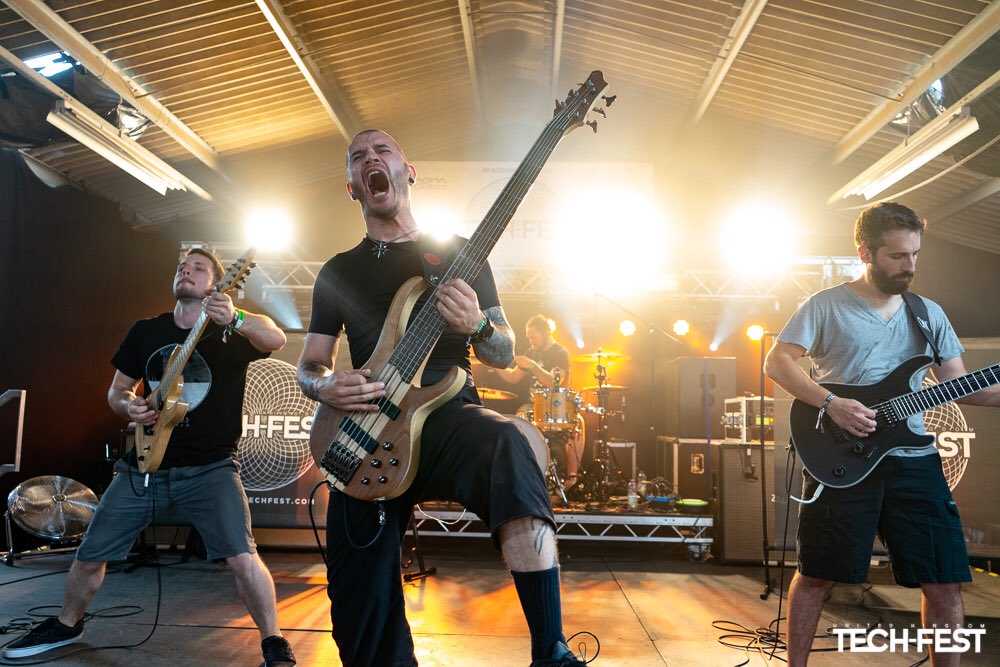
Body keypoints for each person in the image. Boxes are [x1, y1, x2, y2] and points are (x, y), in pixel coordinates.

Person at [297, 129, 593, 667]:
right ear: (352, 188)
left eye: (382, 151)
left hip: (447, 414)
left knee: (510, 445)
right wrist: (323, 385)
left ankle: (550, 648)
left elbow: (503, 352)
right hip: (366, 425)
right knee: (358, 600)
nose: (371, 160)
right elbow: (310, 364)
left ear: (408, 171)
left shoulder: (461, 254)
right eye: (359, 158)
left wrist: (477, 324)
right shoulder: (339, 271)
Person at [3, 248, 296, 667]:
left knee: (242, 557)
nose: (186, 272)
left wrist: (238, 318)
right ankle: (68, 624)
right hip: (143, 467)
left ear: (217, 283)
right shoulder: (145, 331)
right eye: (181, 267)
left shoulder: (229, 333)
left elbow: (275, 337)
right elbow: (117, 390)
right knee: (90, 552)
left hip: (210, 467)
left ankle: (273, 641)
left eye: (198, 268)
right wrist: (130, 407)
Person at [764, 201, 1000, 666]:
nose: (909, 266)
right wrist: (832, 403)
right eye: (897, 256)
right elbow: (776, 362)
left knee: (944, 578)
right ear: (865, 253)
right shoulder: (825, 305)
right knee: (816, 575)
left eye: (914, 255)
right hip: (842, 456)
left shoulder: (928, 313)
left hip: (913, 460)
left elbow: (966, 388)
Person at [494, 314, 586, 486]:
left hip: (555, 405)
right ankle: (523, 476)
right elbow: (513, 377)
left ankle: (571, 479)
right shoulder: (531, 351)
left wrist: (533, 366)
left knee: (578, 422)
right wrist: (493, 364)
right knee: (518, 420)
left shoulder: (560, 353)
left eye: (533, 337)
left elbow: (554, 382)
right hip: (532, 404)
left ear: (546, 333)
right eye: (528, 337)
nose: (531, 341)